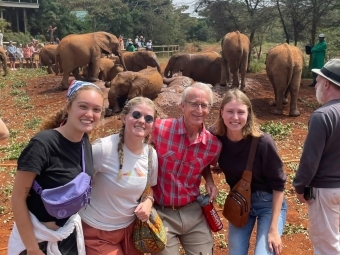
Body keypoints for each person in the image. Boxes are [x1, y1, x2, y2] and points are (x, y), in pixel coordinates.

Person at [8, 81, 104, 255]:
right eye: (83, 106)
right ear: (68, 107)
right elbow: (17, 198)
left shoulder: (85, 144)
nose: (90, 114)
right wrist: (32, 248)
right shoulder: (43, 144)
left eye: (96, 109)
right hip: (37, 240)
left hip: (67, 237)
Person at [210, 88, 287, 255]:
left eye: (240, 112)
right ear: (222, 112)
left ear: (248, 114)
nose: (235, 117)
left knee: (264, 252)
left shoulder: (263, 142)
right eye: (230, 111)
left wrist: (274, 229)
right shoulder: (214, 137)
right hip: (239, 202)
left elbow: (279, 185)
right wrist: (210, 178)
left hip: (268, 202)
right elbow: (198, 158)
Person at [80, 97, 158, 255]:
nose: (142, 121)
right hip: (97, 230)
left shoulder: (151, 154)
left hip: (130, 231)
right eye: (136, 115)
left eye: (148, 118)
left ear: (153, 124)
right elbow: (77, 183)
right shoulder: (103, 149)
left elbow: (150, 188)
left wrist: (149, 202)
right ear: (124, 117)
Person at [151, 82, 222, 255]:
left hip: (193, 212)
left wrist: (210, 180)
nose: (199, 110)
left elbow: (203, 162)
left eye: (204, 105)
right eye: (194, 104)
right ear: (182, 105)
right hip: (162, 212)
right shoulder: (159, 129)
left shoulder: (213, 145)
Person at [293, 59, 340, 255]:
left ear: (327, 83)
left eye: (318, 80)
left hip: (325, 190)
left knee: (326, 246)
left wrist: (300, 186)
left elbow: (310, 160)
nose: (316, 85)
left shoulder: (323, 115)